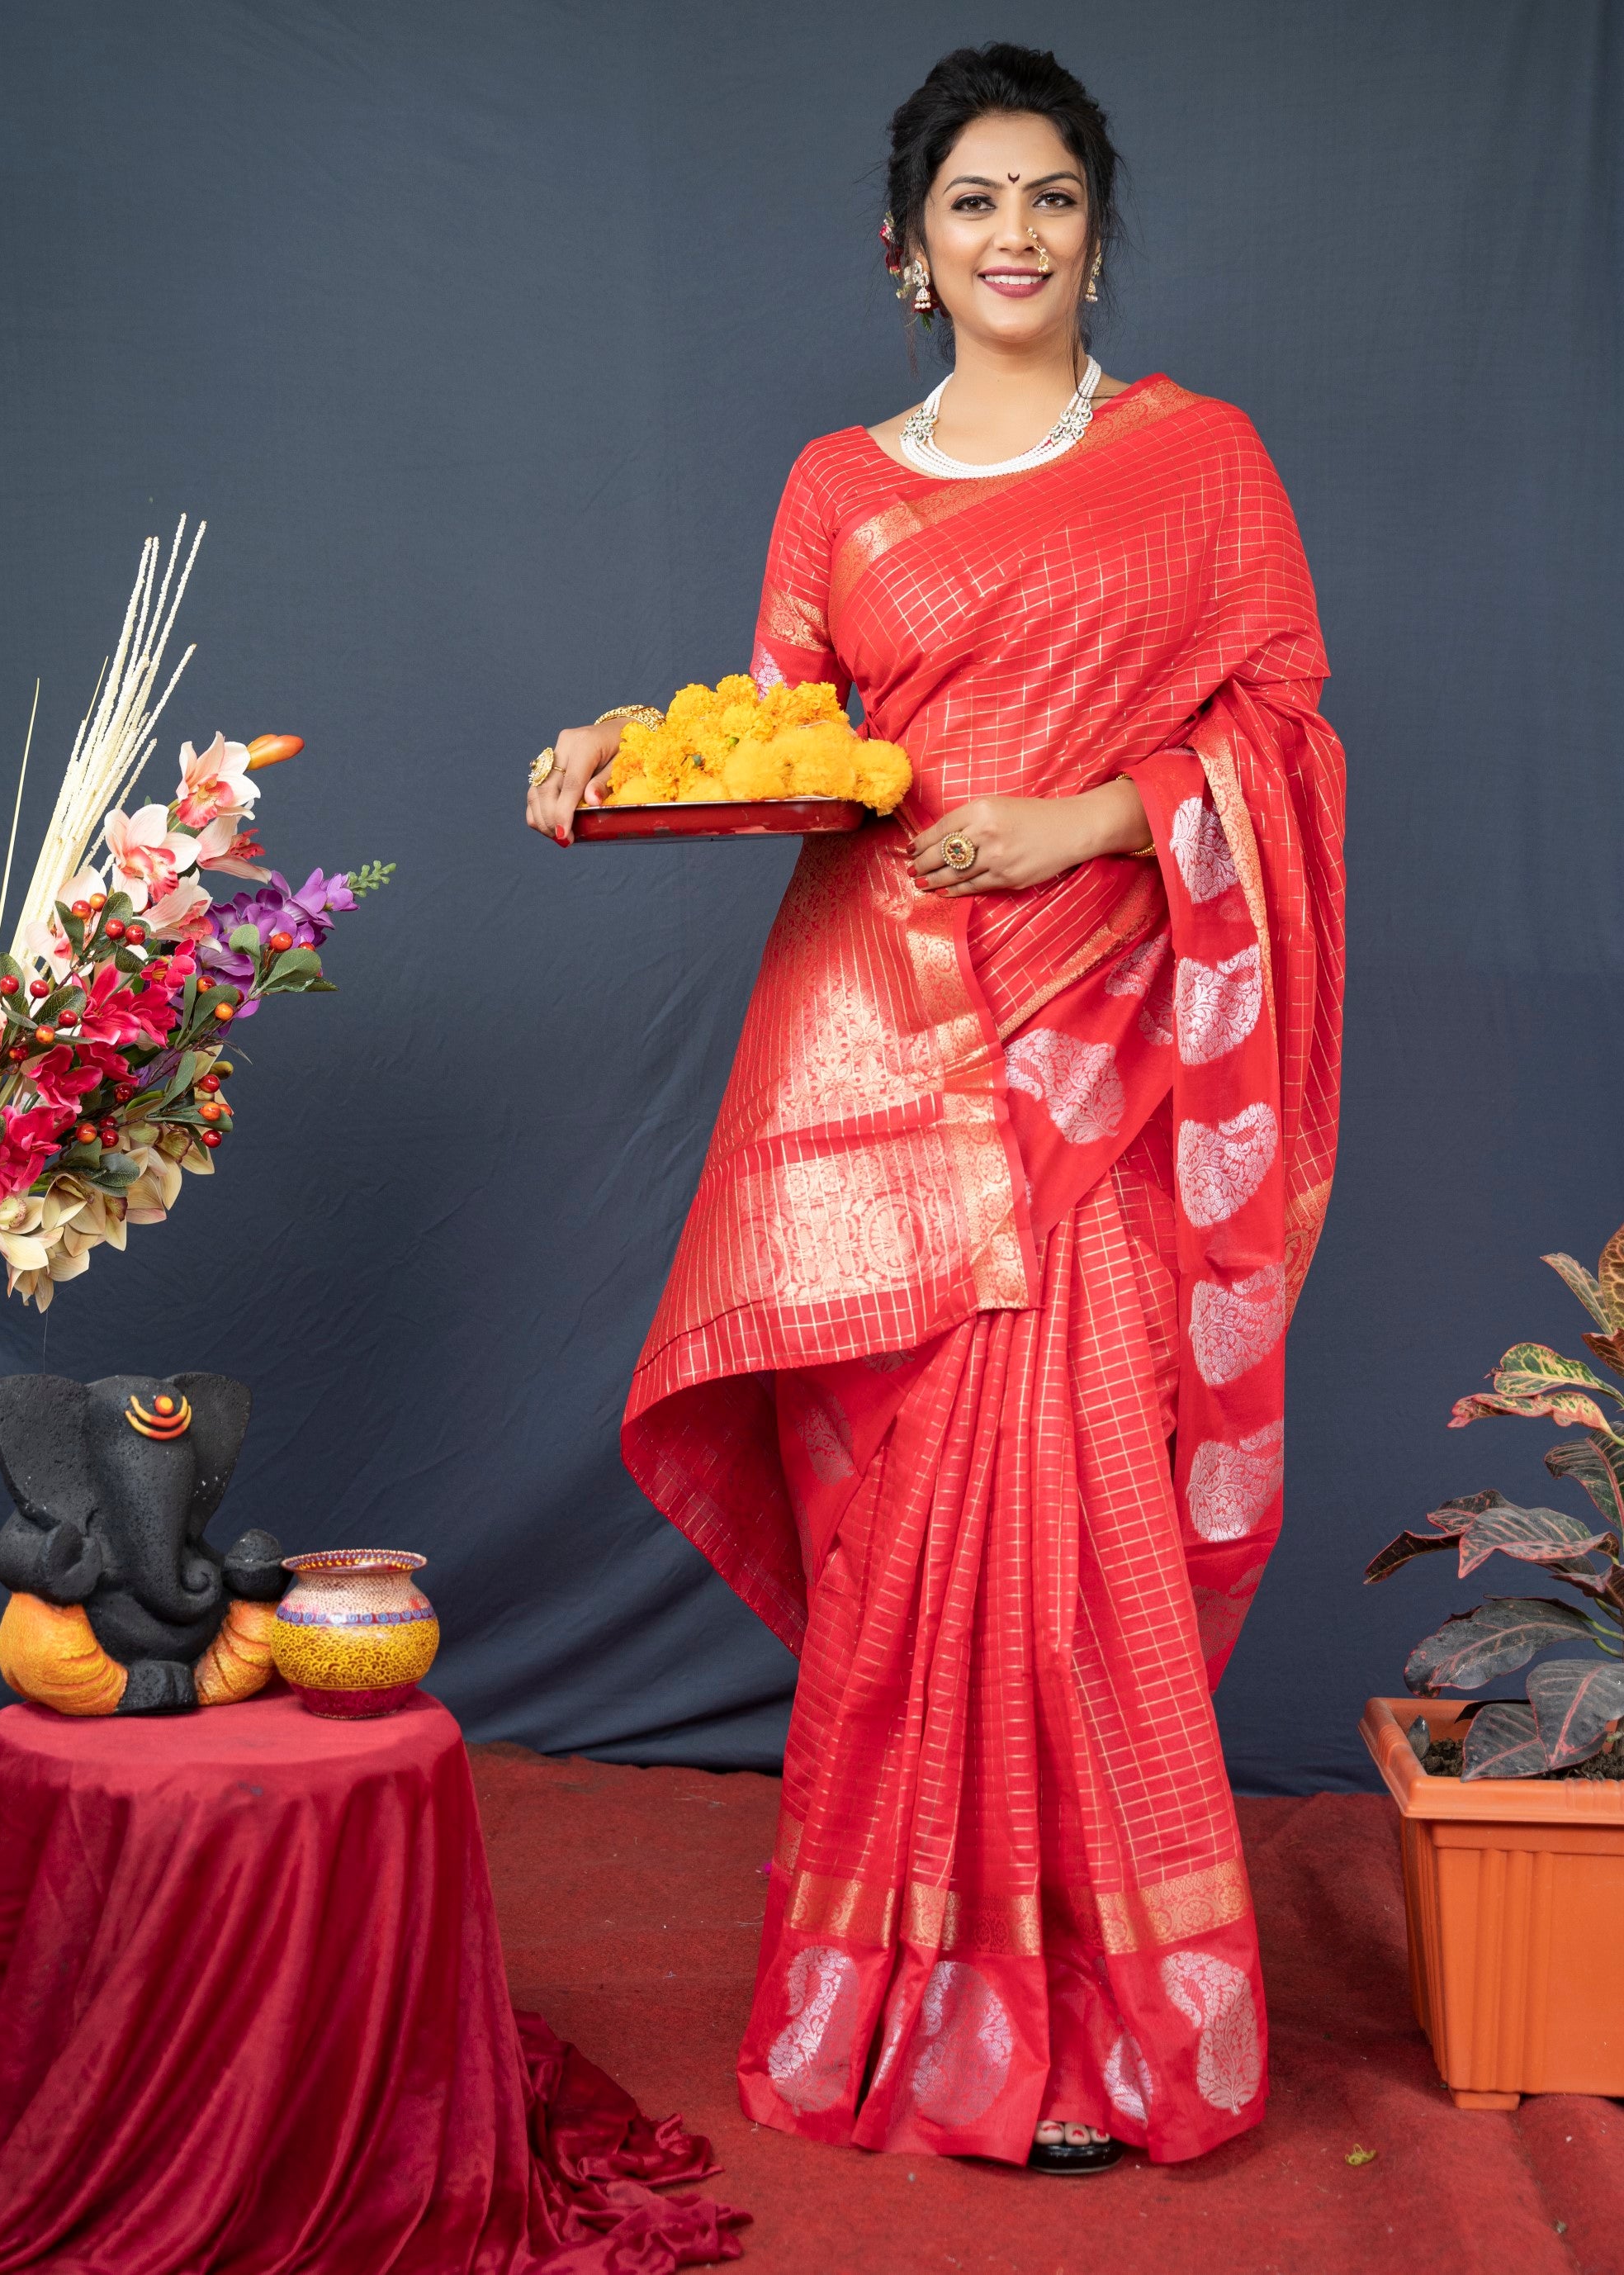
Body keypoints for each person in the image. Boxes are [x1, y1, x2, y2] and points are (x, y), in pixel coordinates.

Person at [528, 41, 1344, 2176]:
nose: (1014, 235)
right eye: (973, 201)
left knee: (1076, 1504)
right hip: (885, 1044)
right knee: (904, 1526)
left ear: (1097, 230)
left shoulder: (1201, 461)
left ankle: (1106, 2027)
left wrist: (1092, 817)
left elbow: (1284, 738)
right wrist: (632, 740)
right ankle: (916, 2002)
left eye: (1052, 198)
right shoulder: (838, 484)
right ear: (907, 251)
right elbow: (781, 732)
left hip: (1101, 1042)